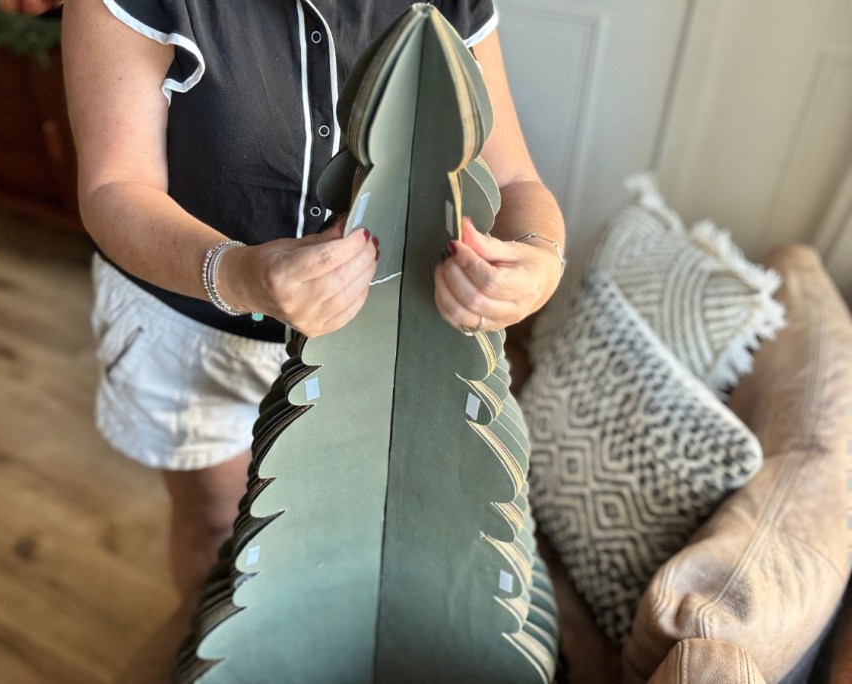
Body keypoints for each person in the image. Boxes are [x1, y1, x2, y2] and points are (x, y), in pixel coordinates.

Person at [57, 0, 565, 679]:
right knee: (218, 536)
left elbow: (513, 180)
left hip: (365, 344)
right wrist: (238, 272)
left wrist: (539, 259)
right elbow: (114, 187)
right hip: (191, 325)